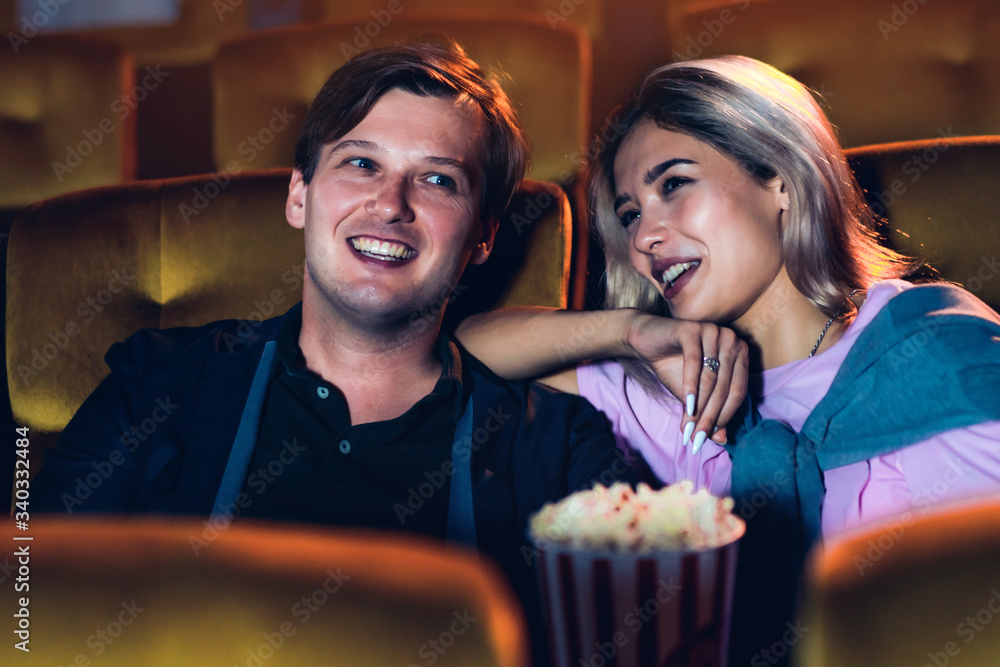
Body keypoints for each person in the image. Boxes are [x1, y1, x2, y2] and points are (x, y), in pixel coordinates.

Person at [31, 42, 635, 658]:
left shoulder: (560, 450)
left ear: (483, 236)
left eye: (437, 179)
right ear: (300, 195)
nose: (391, 204)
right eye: (361, 164)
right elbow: (32, 619)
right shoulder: (153, 385)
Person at [456, 55, 1000, 665]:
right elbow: (458, 356)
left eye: (675, 184)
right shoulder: (670, 383)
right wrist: (629, 330)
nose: (643, 239)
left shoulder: (939, 354)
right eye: (631, 214)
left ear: (780, 179)